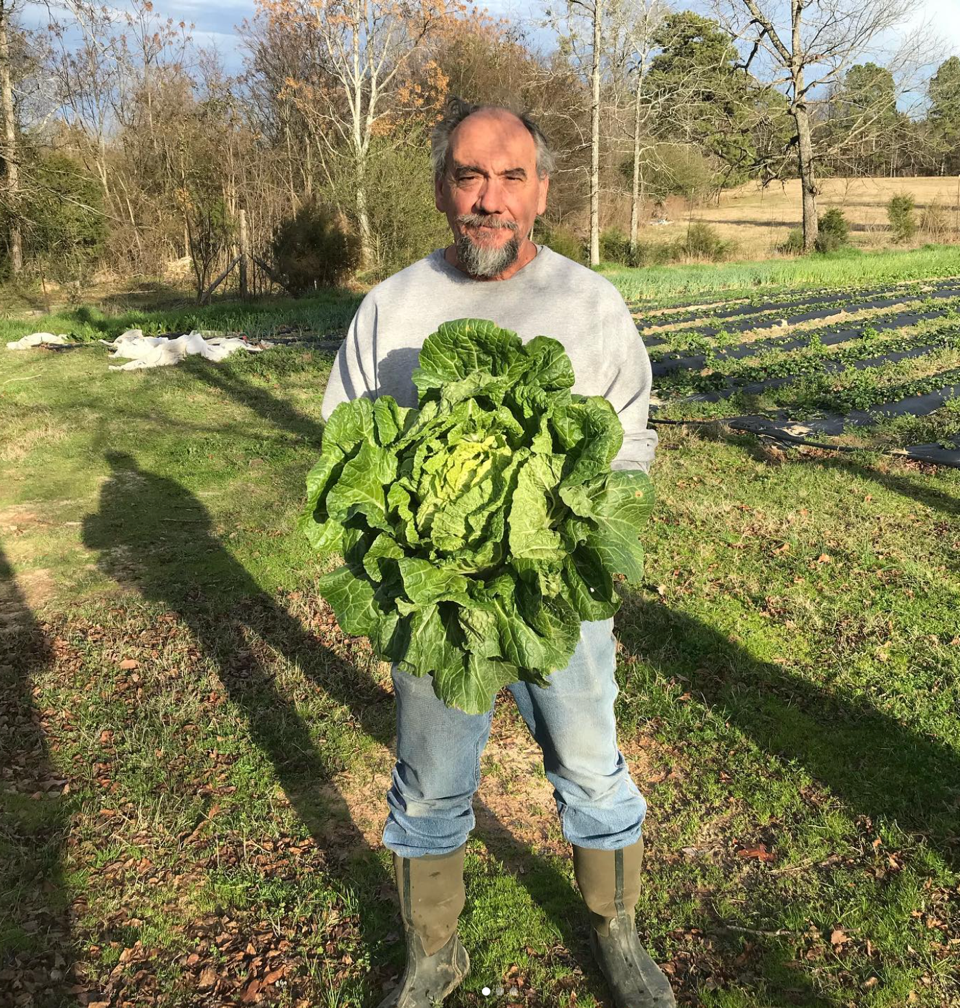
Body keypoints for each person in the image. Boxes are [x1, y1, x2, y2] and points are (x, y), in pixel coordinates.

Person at [320, 95, 674, 1008]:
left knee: (590, 766)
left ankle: (618, 932)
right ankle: (434, 953)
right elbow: (345, 451)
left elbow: (628, 442)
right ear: (442, 188)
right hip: (435, 604)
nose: (489, 198)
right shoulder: (391, 307)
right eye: (469, 175)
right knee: (429, 784)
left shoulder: (588, 303)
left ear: (542, 191)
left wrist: (567, 539)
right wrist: (404, 557)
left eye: (511, 177)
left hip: (559, 592)